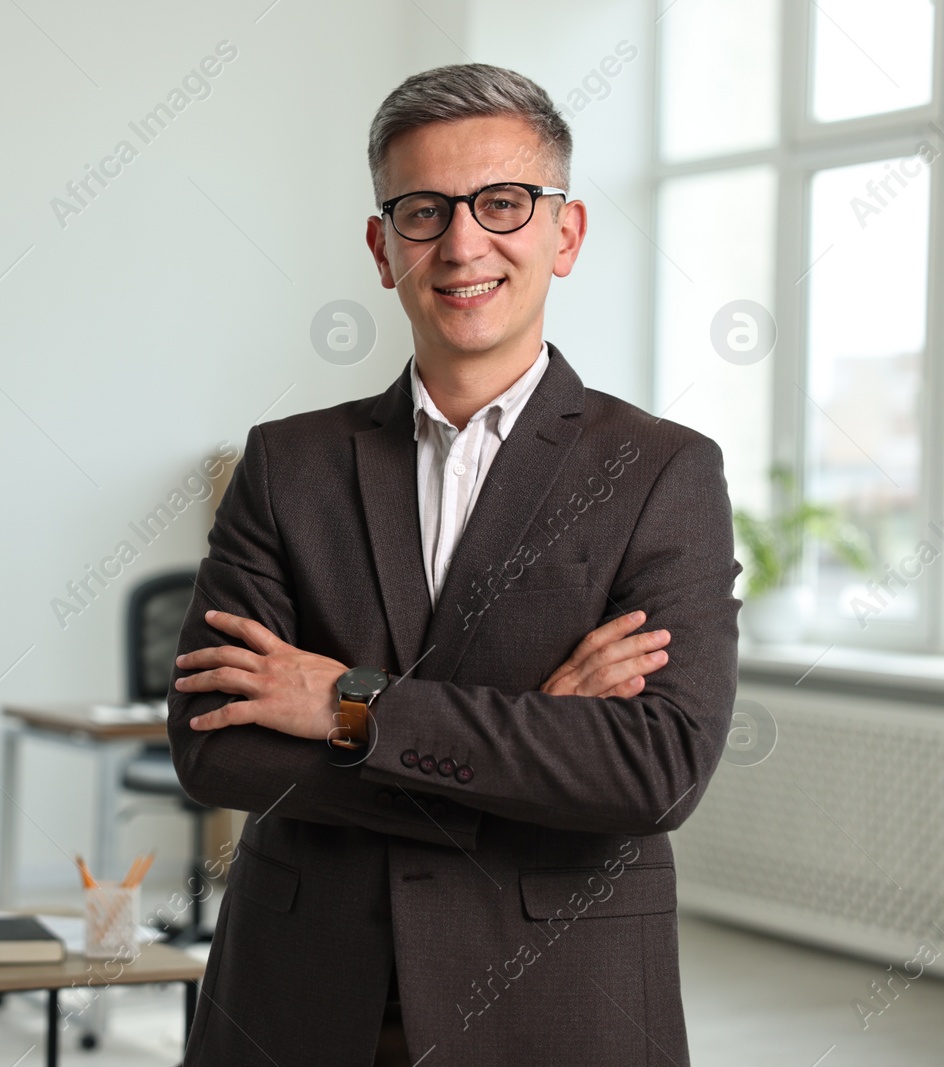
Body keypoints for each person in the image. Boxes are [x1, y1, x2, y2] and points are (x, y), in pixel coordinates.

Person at [167, 63, 741, 1066]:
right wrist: (540, 738)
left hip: (554, 1004)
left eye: (503, 203)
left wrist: (349, 703)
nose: (462, 242)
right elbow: (215, 744)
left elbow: (654, 772)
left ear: (564, 234)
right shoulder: (287, 464)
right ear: (382, 249)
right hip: (300, 996)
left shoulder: (662, 472)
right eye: (423, 211)